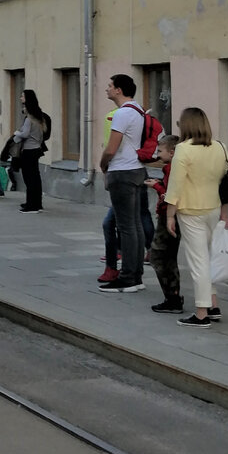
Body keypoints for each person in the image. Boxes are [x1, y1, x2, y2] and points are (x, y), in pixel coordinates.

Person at [164, 107, 228, 327]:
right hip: (213, 208)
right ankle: (213, 304)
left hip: (190, 210)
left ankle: (201, 314)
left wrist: (169, 215)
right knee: (208, 259)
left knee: (198, 262)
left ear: (186, 125)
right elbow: (227, 182)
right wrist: (224, 213)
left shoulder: (183, 149)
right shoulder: (220, 147)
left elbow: (175, 185)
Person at [98, 74, 147, 292]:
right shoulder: (138, 110)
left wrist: (103, 164)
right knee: (135, 225)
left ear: (119, 90)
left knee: (126, 227)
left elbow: (111, 148)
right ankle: (136, 275)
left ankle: (127, 277)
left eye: (110, 86)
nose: (107, 89)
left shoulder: (122, 114)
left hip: (122, 171)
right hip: (137, 170)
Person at [147, 134, 183, 313]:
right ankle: (174, 296)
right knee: (170, 258)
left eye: (160, 151)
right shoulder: (172, 168)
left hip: (168, 216)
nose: (158, 155)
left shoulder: (171, 168)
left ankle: (172, 297)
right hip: (175, 216)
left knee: (158, 256)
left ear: (172, 152)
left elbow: (170, 194)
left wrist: (156, 186)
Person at [12, 89, 50, 213]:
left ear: (27, 99)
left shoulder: (30, 118)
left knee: (29, 178)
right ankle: (36, 203)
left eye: (22, 96)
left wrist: (16, 133)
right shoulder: (39, 116)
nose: (20, 98)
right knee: (35, 177)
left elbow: (25, 133)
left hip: (28, 150)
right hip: (36, 149)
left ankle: (31, 205)